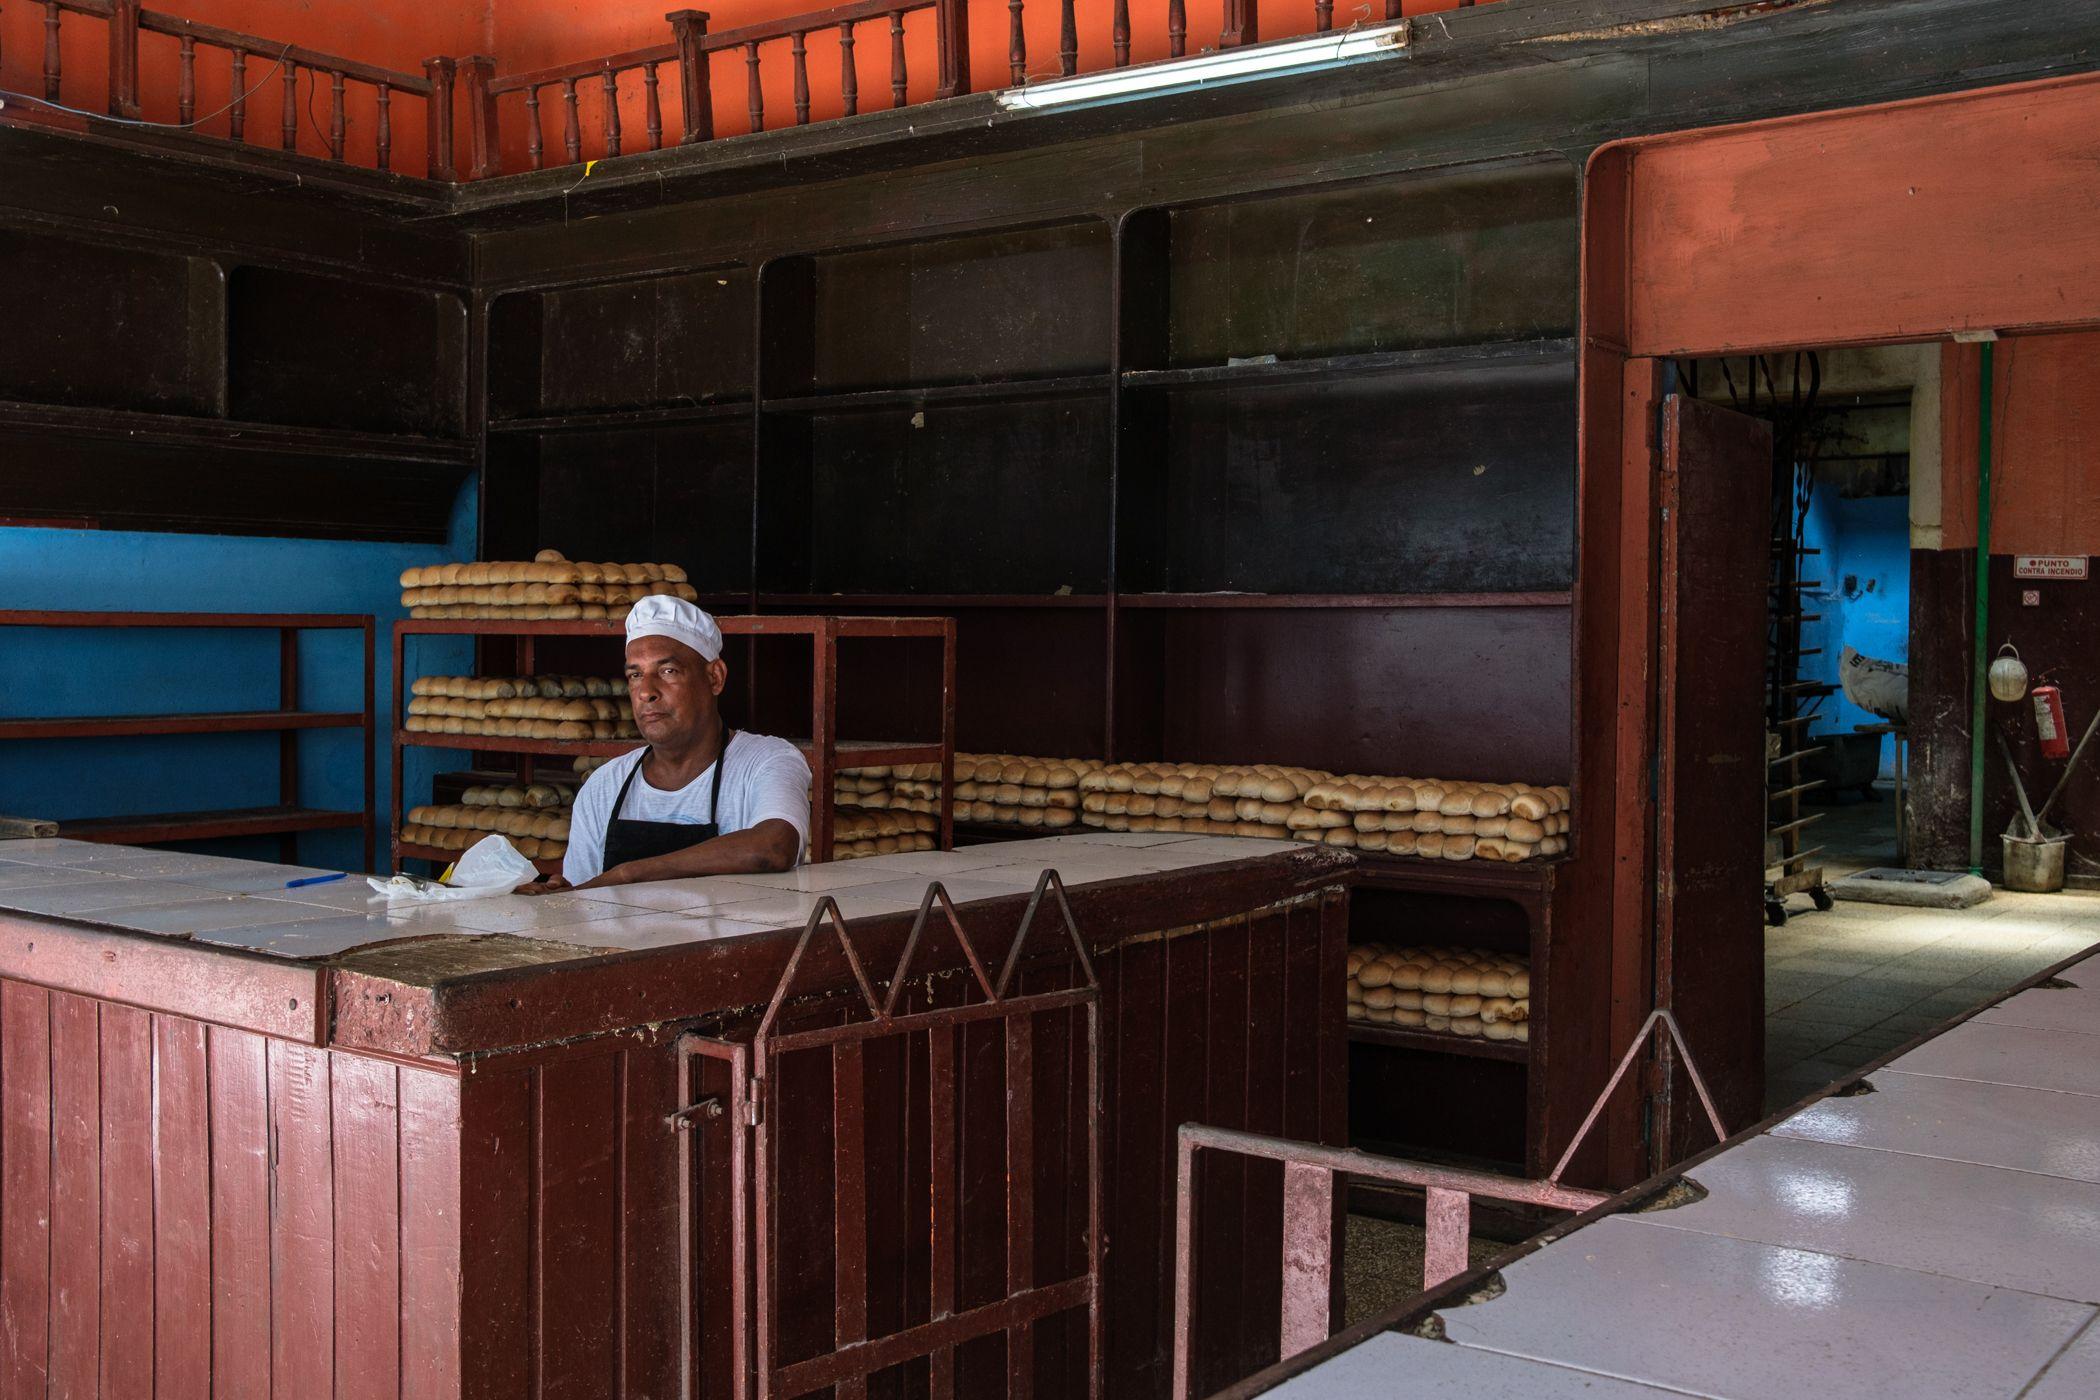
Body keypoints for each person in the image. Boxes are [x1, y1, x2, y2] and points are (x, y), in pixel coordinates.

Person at [519, 596, 810, 893]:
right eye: (635, 675)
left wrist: (630, 874)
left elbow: (774, 846)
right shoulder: (604, 786)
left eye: (668, 671)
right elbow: (582, 899)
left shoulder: (765, 761)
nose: (646, 692)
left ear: (715, 677)